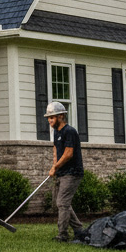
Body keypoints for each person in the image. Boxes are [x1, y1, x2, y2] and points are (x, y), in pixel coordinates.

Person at [46, 100, 85, 242]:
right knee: (61, 203)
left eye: (52, 117)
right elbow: (56, 149)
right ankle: (79, 230)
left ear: (61, 116)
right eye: (49, 118)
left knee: (62, 203)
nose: (49, 120)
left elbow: (69, 153)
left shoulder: (70, 131)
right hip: (62, 171)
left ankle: (62, 235)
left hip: (73, 172)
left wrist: (56, 167)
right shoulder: (56, 132)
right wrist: (54, 166)